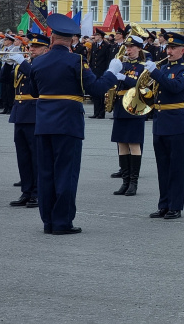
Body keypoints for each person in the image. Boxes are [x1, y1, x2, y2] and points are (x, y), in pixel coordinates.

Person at [29, 14, 121, 234]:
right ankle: (61, 222)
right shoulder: (76, 61)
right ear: (71, 40)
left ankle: (48, 222)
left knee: (45, 174)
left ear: (52, 38)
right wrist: (112, 73)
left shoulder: (38, 61)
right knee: (65, 174)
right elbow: (97, 89)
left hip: (43, 124)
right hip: (68, 124)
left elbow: (34, 92)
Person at [145, 32, 184, 219]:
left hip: (175, 122)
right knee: (162, 167)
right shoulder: (163, 68)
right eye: (168, 48)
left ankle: (175, 206)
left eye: (173, 48)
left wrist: (155, 73)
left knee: (176, 167)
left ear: (183, 51)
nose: (170, 51)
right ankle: (163, 204)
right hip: (160, 121)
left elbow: (174, 87)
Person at [3, 33, 50, 208]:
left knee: (35, 155)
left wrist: (21, 63)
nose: (31, 50)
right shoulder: (25, 64)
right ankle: (26, 191)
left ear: (46, 49)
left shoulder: (45, 63)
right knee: (23, 156)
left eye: (36, 47)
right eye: (31, 47)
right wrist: (8, 65)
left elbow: (37, 77)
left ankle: (37, 193)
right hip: (20, 113)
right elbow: (4, 81)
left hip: (35, 112)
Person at [110, 34, 148, 196]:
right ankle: (125, 182)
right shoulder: (122, 63)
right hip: (120, 106)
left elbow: (142, 85)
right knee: (122, 144)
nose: (129, 49)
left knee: (134, 144)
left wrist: (123, 77)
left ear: (139, 49)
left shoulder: (143, 66)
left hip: (134, 106)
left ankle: (134, 182)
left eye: (132, 47)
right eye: (127, 47)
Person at [89, 28, 111, 119]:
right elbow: (92, 59)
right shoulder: (94, 45)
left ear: (101, 36)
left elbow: (107, 59)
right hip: (94, 72)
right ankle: (96, 112)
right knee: (95, 93)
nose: (95, 37)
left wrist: (106, 71)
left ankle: (101, 113)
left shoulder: (106, 46)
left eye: (97, 35)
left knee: (101, 93)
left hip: (102, 72)